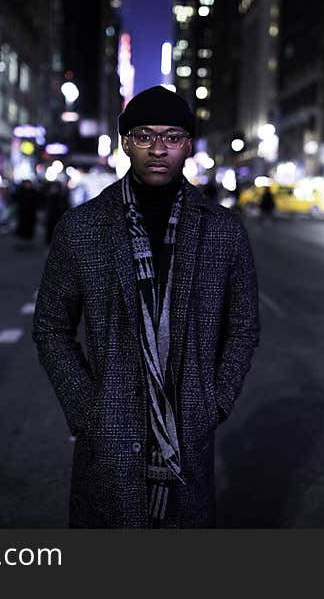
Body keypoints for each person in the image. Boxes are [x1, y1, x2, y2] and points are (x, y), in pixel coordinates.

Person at [32, 85, 260, 528]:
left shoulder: (224, 230)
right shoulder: (82, 227)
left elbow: (244, 328)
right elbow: (51, 327)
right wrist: (88, 410)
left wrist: (213, 403)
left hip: (188, 438)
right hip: (108, 440)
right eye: (144, 135)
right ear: (125, 143)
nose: (158, 148)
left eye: (172, 137)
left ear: (188, 145)